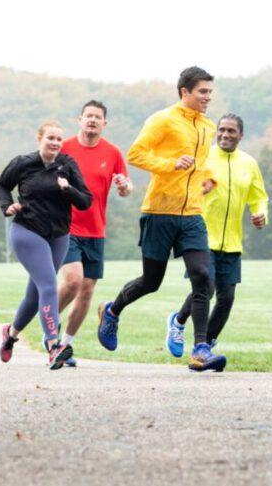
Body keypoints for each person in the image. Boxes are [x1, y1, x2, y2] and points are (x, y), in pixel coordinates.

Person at [96, 66, 227, 372]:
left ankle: (201, 350)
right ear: (185, 92)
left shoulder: (207, 126)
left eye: (210, 92)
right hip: (159, 212)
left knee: (202, 277)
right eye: (202, 92)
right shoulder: (163, 119)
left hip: (193, 214)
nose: (208, 97)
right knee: (151, 282)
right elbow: (136, 154)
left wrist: (208, 180)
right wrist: (171, 164)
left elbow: (202, 164)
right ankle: (112, 310)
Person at [166, 114, 268, 357]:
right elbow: (180, 188)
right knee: (206, 288)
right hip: (201, 237)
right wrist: (201, 188)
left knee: (227, 298)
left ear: (241, 135)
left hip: (232, 242)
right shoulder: (204, 158)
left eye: (231, 131)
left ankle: (205, 346)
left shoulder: (249, 163)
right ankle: (179, 324)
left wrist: (260, 213)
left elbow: (259, 196)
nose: (225, 134)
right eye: (221, 129)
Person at [0, 121, 93, 370]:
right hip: (27, 231)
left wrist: (67, 188)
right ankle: (53, 345)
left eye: (59, 139)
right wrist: (7, 205)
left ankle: (11, 334)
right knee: (49, 284)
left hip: (59, 235)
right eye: (50, 138)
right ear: (39, 138)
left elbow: (85, 201)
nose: (55, 143)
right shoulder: (23, 163)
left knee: (35, 293)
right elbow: (2, 185)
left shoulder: (68, 165)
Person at [56, 100, 131, 366]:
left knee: (87, 290)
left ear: (104, 123)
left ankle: (65, 346)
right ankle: (49, 329)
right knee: (73, 280)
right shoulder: (63, 148)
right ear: (79, 119)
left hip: (96, 229)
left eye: (97, 117)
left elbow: (126, 188)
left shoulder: (112, 152)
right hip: (66, 226)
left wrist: (124, 185)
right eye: (88, 116)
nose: (92, 121)